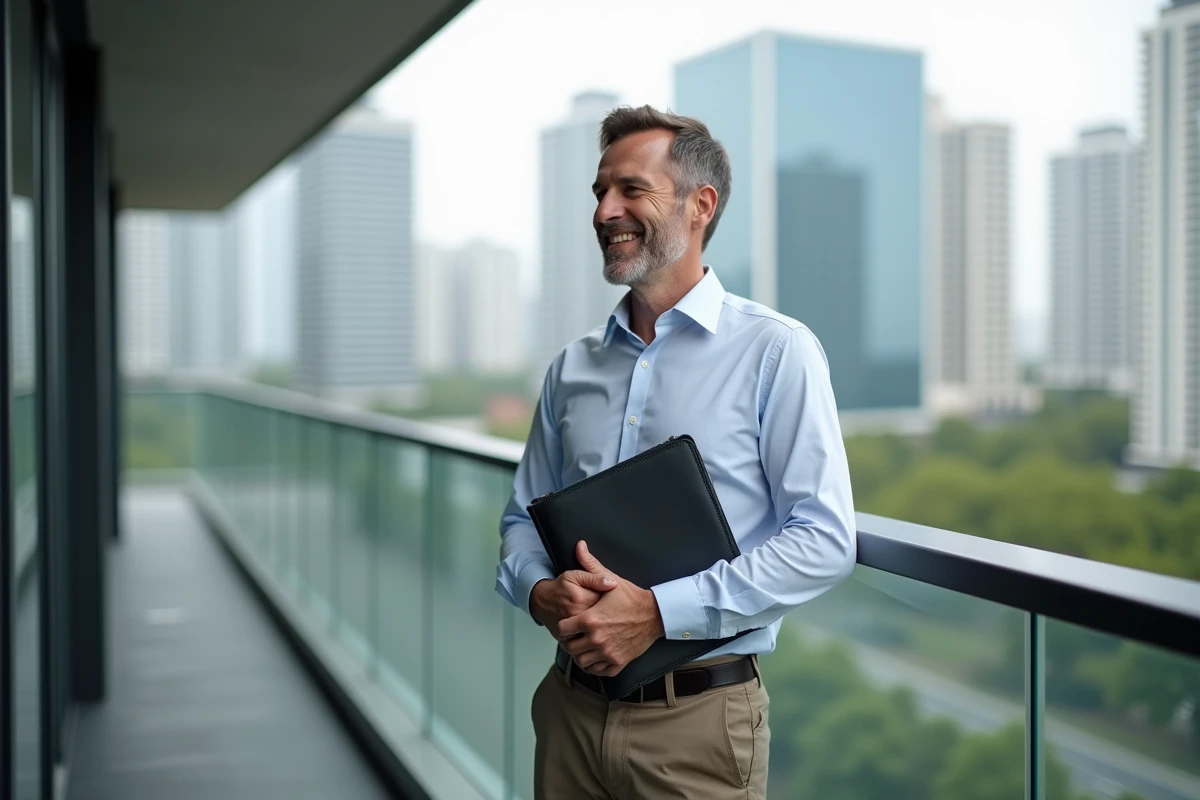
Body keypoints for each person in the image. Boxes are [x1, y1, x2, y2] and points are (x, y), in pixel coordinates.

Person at [495, 105, 856, 799]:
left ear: (701, 205)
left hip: (697, 727)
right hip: (568, 713)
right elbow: (519, 521)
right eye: (599, 192)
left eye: (631, 189)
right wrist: (541, 592)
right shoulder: (572, 368)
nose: (604, 211)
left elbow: (824, 540)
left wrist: (659, 612)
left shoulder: (776, 352)